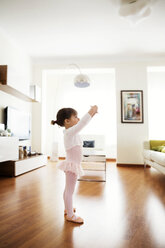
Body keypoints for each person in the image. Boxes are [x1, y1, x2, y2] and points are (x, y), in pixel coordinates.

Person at [51, 105, 98, 224]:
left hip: (73, 165)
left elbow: (81, 124)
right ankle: (71, 215)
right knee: (70, 191)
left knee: (68, 189)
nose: (78, 119)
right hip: (72, 166)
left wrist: (92, 115)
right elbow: (82, 123)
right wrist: (90, 112)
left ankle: (68, 209)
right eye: (75, 117)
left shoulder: (71, 132)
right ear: (67, 121)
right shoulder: (70, 132)